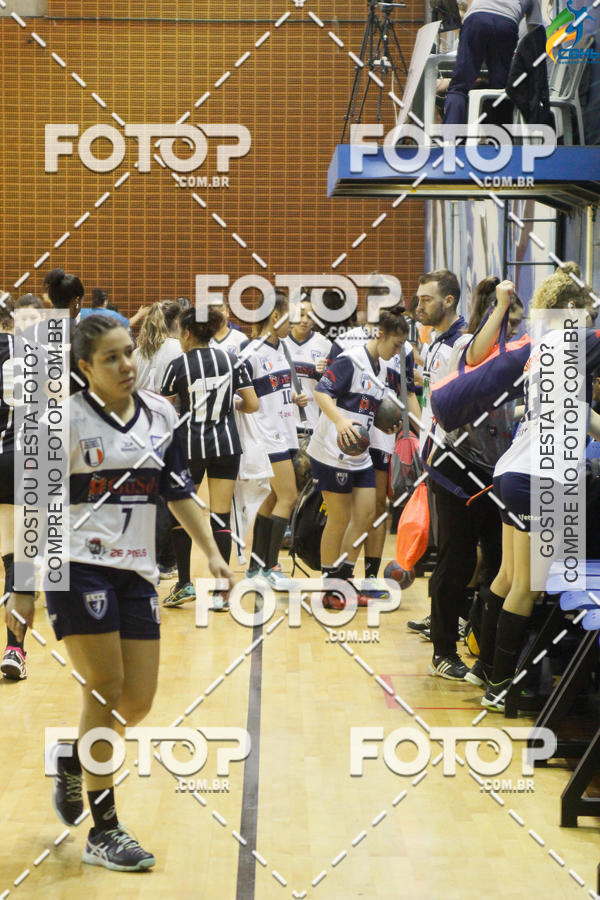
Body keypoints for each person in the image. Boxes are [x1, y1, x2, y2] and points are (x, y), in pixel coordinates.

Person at [5, 314, 233, 870]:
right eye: (110, 357)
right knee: (105, 688)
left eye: (129, 352)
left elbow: (177, 489)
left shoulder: (160, 414)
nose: (127, 364)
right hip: (75, 564)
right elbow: (34, 507)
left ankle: (69, 754)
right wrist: (24, 590)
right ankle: (103, 830)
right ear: (84, 367)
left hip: (137, 568)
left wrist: (212, 552)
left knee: (137, 701)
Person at [476, 263, 600, 710]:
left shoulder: (541, 348)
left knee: (509, 578)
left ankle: (484, 670)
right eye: (586, 312)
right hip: (536, 477)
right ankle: (499, 687)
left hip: (515, 470)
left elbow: (582, 418)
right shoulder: (572, 343)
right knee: (527, 586)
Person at [425, 278, 521, 681]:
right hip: (456, 467)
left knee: (499, 562)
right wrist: (500, 305)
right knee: (457, 559)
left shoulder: (513, 353)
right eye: (509, 320)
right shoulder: (461, 347)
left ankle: (485, 651)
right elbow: (478, 356)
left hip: (494, 469)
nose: (516, 329)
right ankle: (443, 649)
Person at [307, 310, 409, 607]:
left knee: (365, 516)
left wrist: (383, 424)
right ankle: (330, 588)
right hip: (331, 451)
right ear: (381, 335)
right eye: (397, 344)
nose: (398, 350)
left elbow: (368, 410)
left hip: (359, 454)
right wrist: (340, 422)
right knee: (339, 518)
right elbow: (321, 392)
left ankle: (346, 579)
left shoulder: (383, 368)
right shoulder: (350, 361)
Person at [160, 306, 258, 607]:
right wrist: (231, 406)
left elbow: (163, 411)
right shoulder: (232, 360)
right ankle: (223, 591)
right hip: (226, 445)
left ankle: (185, 583)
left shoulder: (178, 365)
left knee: (182, 514)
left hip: (188, 447)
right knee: (220, 516)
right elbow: (252, 404)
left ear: (187, 333)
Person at [406, 269, 467, 638]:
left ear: (448, 300)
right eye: (418, 297)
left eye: (426, 298)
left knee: (456, 549)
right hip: (434, 454)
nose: (418, 304)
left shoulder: (463, 344)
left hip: (457, 460)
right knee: (444, 545)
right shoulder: (433, 343)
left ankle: (455, 622)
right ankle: (443, 618)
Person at [242, 292, 302, 589]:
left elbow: (272, 391)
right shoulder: (251, 352)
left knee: (270, 501)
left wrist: (293, 397)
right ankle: (271, 566)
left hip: (284, 433)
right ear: (276, 317)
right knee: (288, 497)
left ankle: (256, 568)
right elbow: (238, 396)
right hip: (267, 438)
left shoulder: (281, 349)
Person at [443, 0, 545, 125]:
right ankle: (500, 138)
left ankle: (449, 138)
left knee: (459, 87)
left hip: (476, 18)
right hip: (506, 23)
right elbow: (535, 31)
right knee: (500, 88)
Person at [283, 297, 331, 432]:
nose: (304, 320)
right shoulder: (281, 342)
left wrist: (326, 372)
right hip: (283, 425)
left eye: (309, 316)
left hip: (312, 424)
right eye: (300, 315)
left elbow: (334, 386)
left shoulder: (325, 344)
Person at [134, 301, 182, 391]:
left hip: (140, 403)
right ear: (177, 323)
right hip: (169, 404)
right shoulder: (181, 349)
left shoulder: (136, 353)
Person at [79, 288, 148, 331]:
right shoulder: (111, 314)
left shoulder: (82, 312)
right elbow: (129, 323)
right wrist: (139, 314)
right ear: (105, 301)